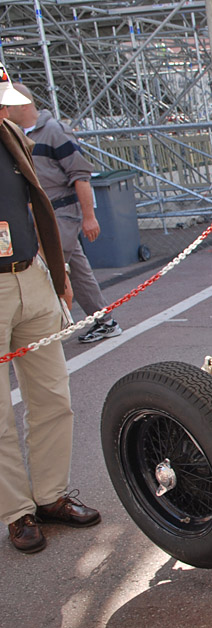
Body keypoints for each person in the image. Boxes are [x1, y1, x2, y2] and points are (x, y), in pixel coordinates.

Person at [0, 64, 100, 554]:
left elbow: (32, 201)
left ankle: (50, 496)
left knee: (53, 398)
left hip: (30, 274)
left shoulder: (12, 133)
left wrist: (56, 273)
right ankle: (16, 513)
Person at [7, 84, 122, 345]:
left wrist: (88, 216)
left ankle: (48, 331)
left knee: (47, 272)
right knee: (77, 271)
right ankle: (105, 321)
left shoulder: (53, 132)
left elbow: (80, 175)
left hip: (60, 213)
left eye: (7, 105)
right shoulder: (15, 133)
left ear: (23, 105)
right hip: (42, 214)